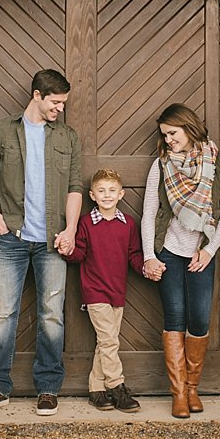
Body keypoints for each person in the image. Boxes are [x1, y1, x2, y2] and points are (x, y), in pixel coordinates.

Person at [0, 69, 84, 417]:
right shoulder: (2, 130)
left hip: (53, 242)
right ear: (37, 95)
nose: (60, 109)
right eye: (55, 102)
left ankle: (48, 388)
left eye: (63, 103)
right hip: (11, 240)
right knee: (3, 315)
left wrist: (71, 231)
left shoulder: (67, 136)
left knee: (52, 317)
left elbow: (75, 187)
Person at [141, 103, 220, 419]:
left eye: (172, 133)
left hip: (201, 254)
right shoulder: (161, 165)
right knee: (175, 316)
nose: (168, 140)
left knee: (199, 319)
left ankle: (194, 387)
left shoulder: (219, 162)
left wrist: (209, 250)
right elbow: (149, 214)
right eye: (164, 135)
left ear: (188, 127)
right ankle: (179, 393)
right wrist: (149, 255)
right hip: (169, 250)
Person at [58, 169, 145, 413]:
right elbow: (80, 254)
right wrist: (67, 250)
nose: (107, 195)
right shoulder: (86, 223)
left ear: (121, 194)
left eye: (112, 190)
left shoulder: (128, 224)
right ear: (92, 195)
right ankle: (117, 387)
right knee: (109, 341)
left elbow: (134, 255)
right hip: (95, 291)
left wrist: (147, 268)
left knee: (105, 343)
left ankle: (96, 390)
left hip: (117, 291)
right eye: (101, 191)